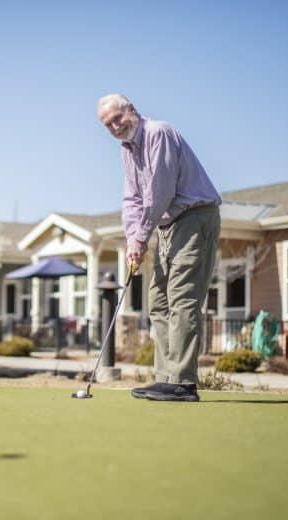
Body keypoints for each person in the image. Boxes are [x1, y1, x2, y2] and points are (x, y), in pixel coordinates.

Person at [97, 94, 221, 402]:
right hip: (167, 226)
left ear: (132, 110)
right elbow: (132, 199)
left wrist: (141, 236)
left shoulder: (158, 133)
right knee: (158, 301)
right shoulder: (126, 150)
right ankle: (166, 377)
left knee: (182, 298)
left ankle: (183, 382)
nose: (115, 127)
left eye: (117, 118)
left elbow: (159, 191)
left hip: (194, 219)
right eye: (107, 124)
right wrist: (131, 238)